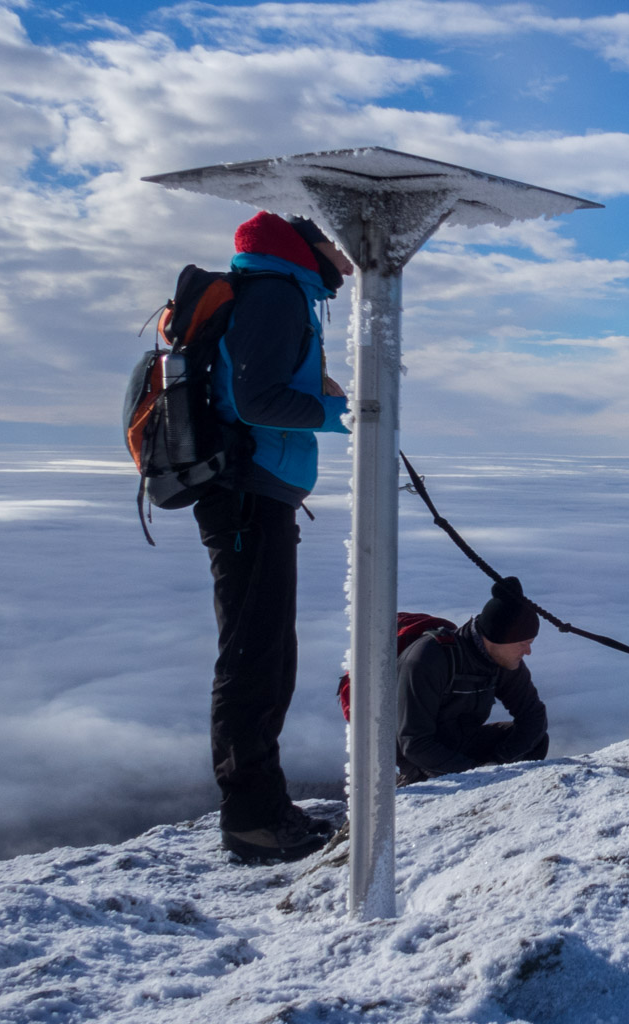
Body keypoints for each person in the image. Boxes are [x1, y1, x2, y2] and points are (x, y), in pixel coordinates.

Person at [197, 211, 353, 863]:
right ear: (305, 247)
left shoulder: (278, 292)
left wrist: (316, 391)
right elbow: (258, 401)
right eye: (337, 247)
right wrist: (340, 409)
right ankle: (253, 818)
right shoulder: (277, 293)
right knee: (254, 657)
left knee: (268, 654)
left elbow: (255, 388)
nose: (347, 263)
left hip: (255, 494)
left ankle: (264, 807)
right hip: (247, 495)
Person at [397, 577, 552, 785]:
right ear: (496, 638)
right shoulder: (429, 659)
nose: (528, 651)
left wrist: (498, 762)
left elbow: (533, 716)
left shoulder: (502, 661)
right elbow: (415, 743)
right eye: (522, 643)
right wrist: (475, 773)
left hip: (462, 742)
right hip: (420, 757)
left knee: (535, 741)